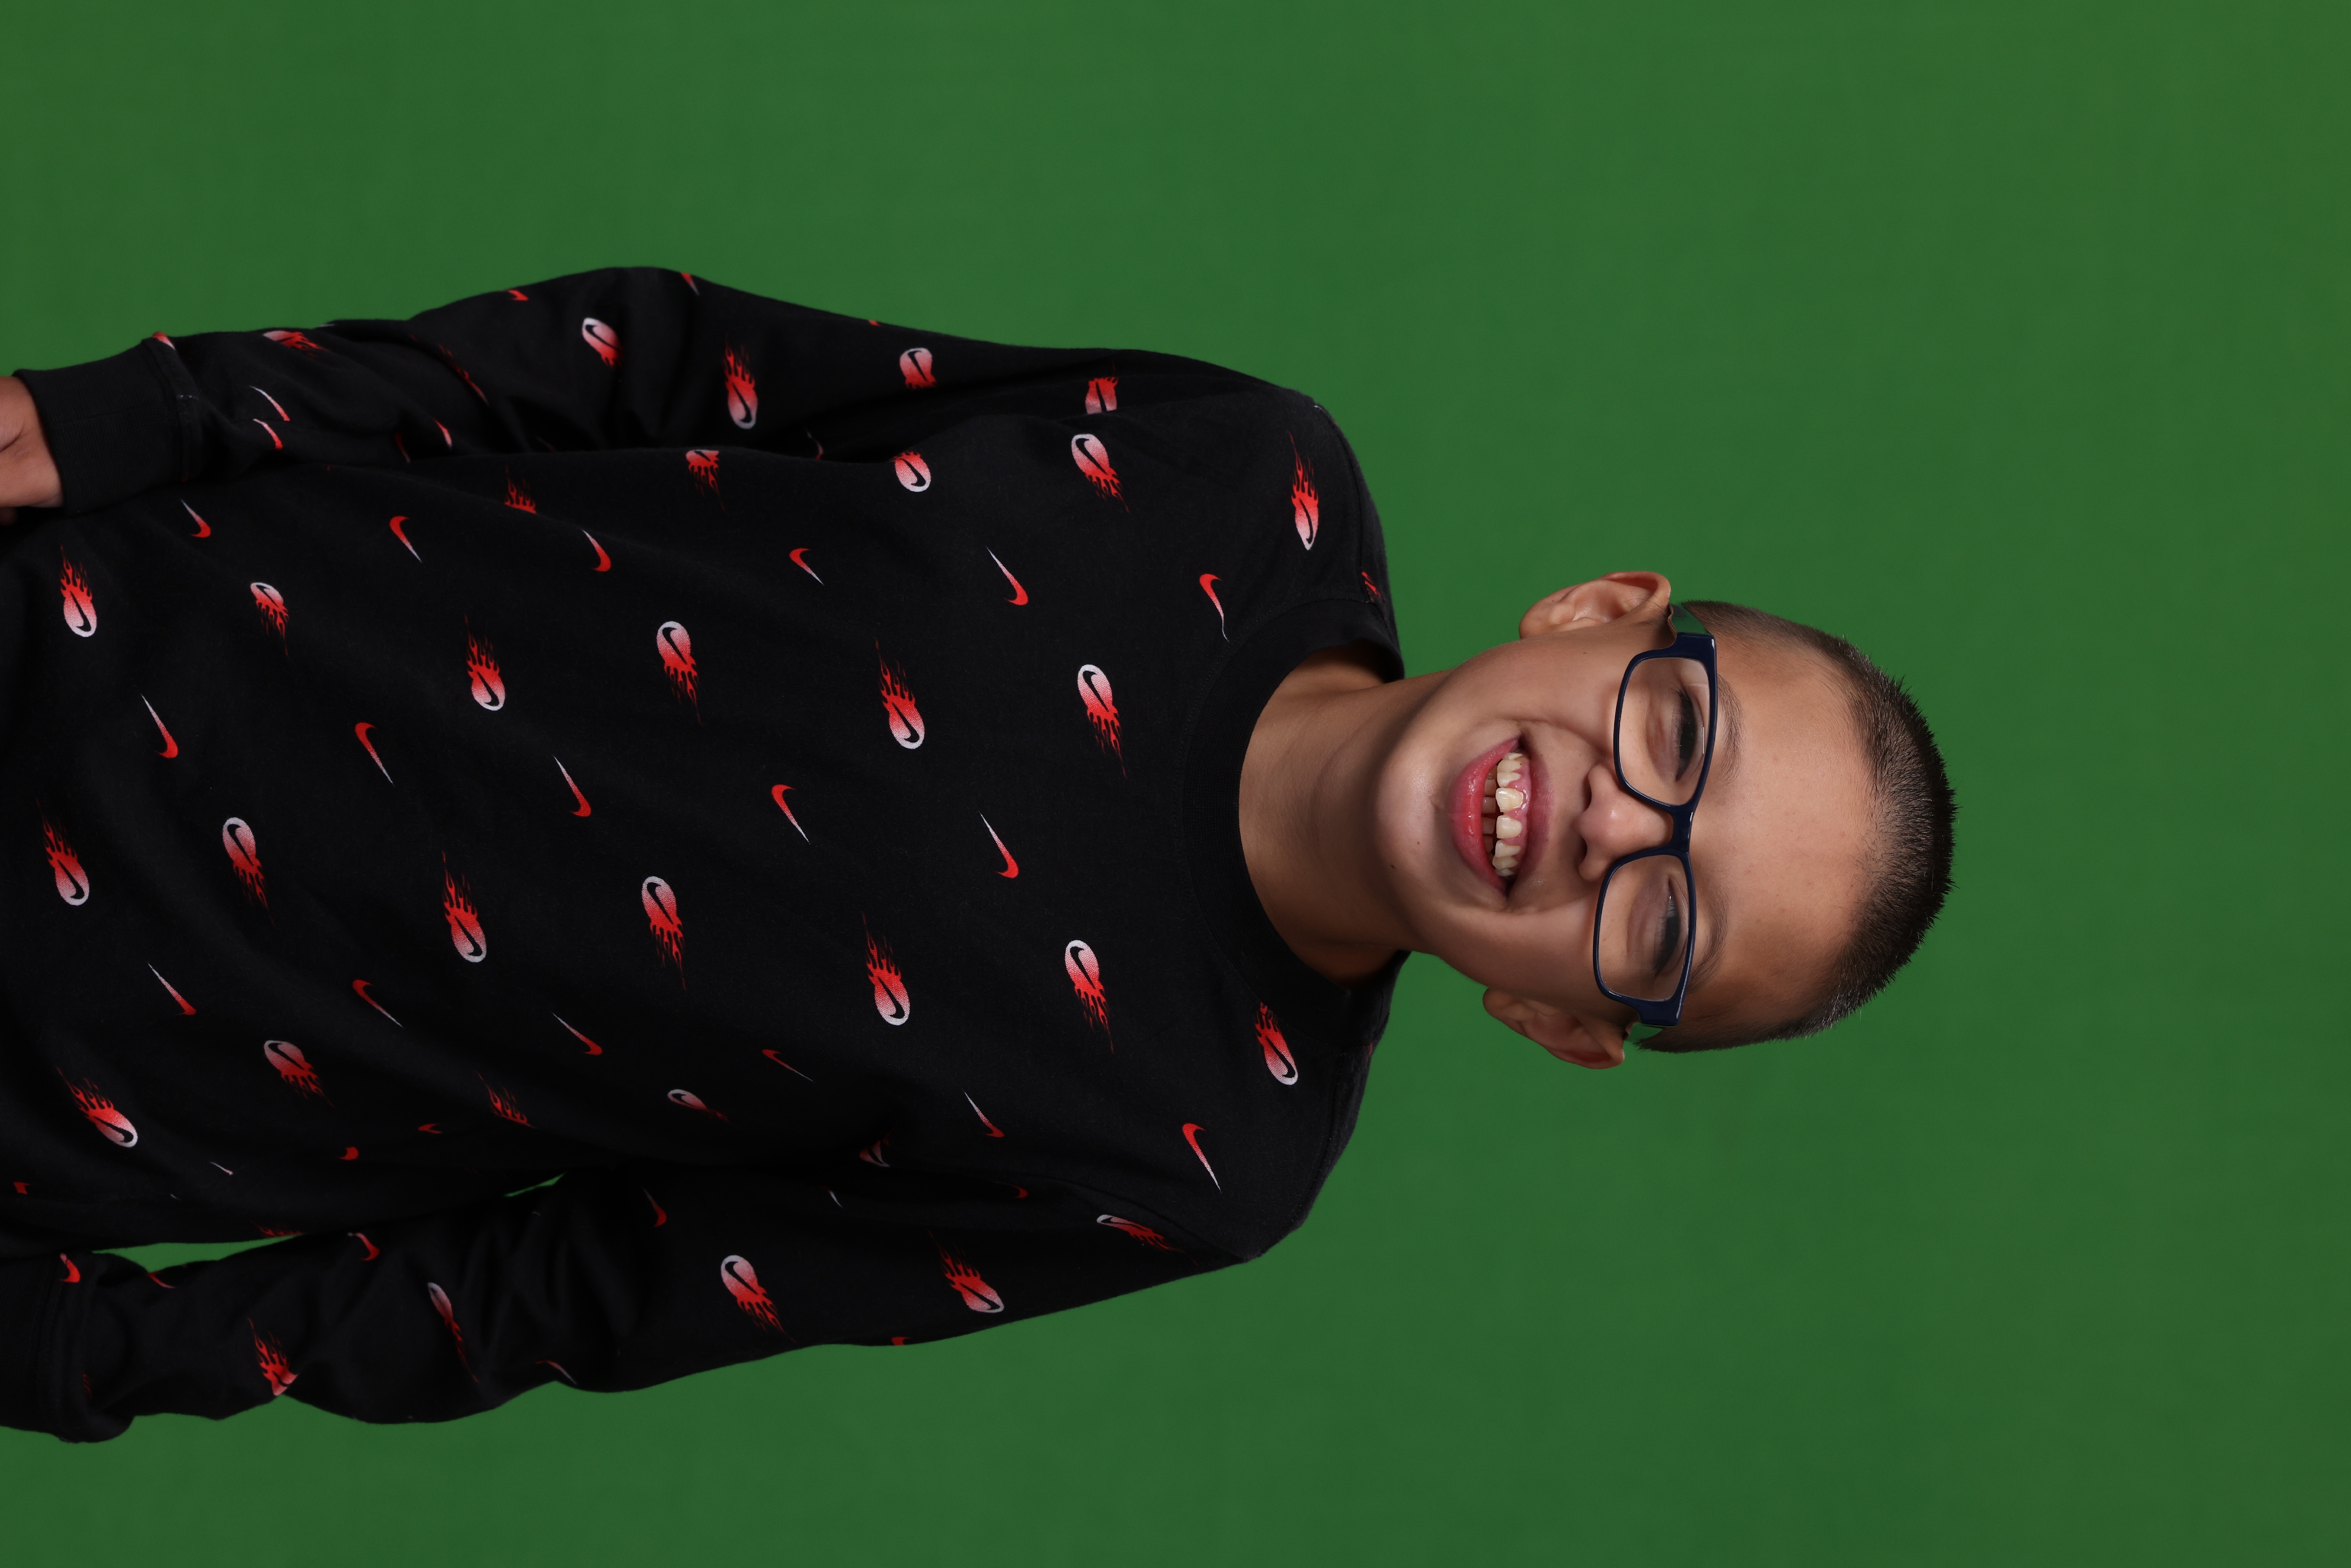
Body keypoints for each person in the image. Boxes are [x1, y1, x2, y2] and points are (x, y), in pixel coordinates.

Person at [0, 270, 1954, 1440]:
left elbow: (596, 1287)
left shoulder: (1199, 1160)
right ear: (1601, 611)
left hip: (79, 1073)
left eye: (1662, 923)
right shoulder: (1243, 473)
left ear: (1566, 1023)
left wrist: (103, 1353)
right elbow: (665, 362)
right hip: (86, 615)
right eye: (1675, 735)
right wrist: (141, 415)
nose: (1609, 819)